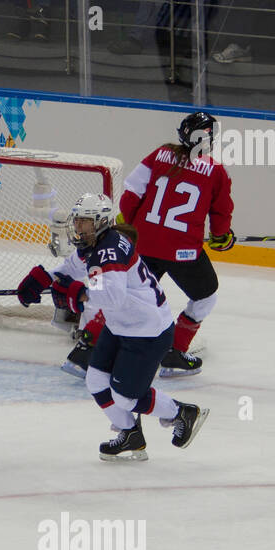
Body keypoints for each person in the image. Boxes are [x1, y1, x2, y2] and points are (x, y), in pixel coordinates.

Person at [16, 194, 210, 461]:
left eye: (85, 221)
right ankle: (130, 433)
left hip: (147, 332)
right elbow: (72, 267)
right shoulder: (95, 244)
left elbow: (112, 297)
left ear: (101, 222)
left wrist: (78, 295)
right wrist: (44, 279)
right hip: (122, 326)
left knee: (126, 397)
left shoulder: (108, 253)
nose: (79, 226)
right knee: (95, 380)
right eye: (78, 220)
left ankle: (182, 413)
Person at [112, 111, 234, 376]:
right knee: (205, 295)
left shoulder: (159, 155)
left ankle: (93, 348)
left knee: (127, 295)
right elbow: (221, 213)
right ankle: (174, 353)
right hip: (184, 252)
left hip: (144, 244)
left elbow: (131, 194)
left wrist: (131, 226)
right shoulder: (216, 171)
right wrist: (222, 237)